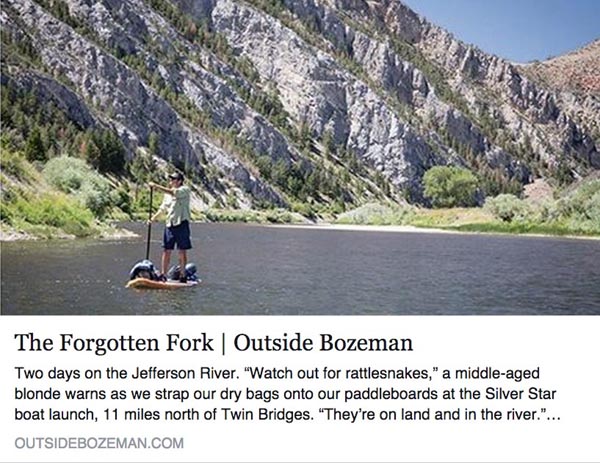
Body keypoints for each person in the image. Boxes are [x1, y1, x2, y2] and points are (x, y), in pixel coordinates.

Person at [148, 172, 192, 282]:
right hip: (170, 225)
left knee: (182, 251)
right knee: (166, 250)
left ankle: (182, 275)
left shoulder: (185, 190)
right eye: (171, 179)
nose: (171, 181)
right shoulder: (167, 195)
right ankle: (163, 275)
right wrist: (153, 219)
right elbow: (163, 208)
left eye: (173, 179)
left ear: (180, 181)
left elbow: (174, 193)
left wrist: (156, 187)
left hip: (182, 223)